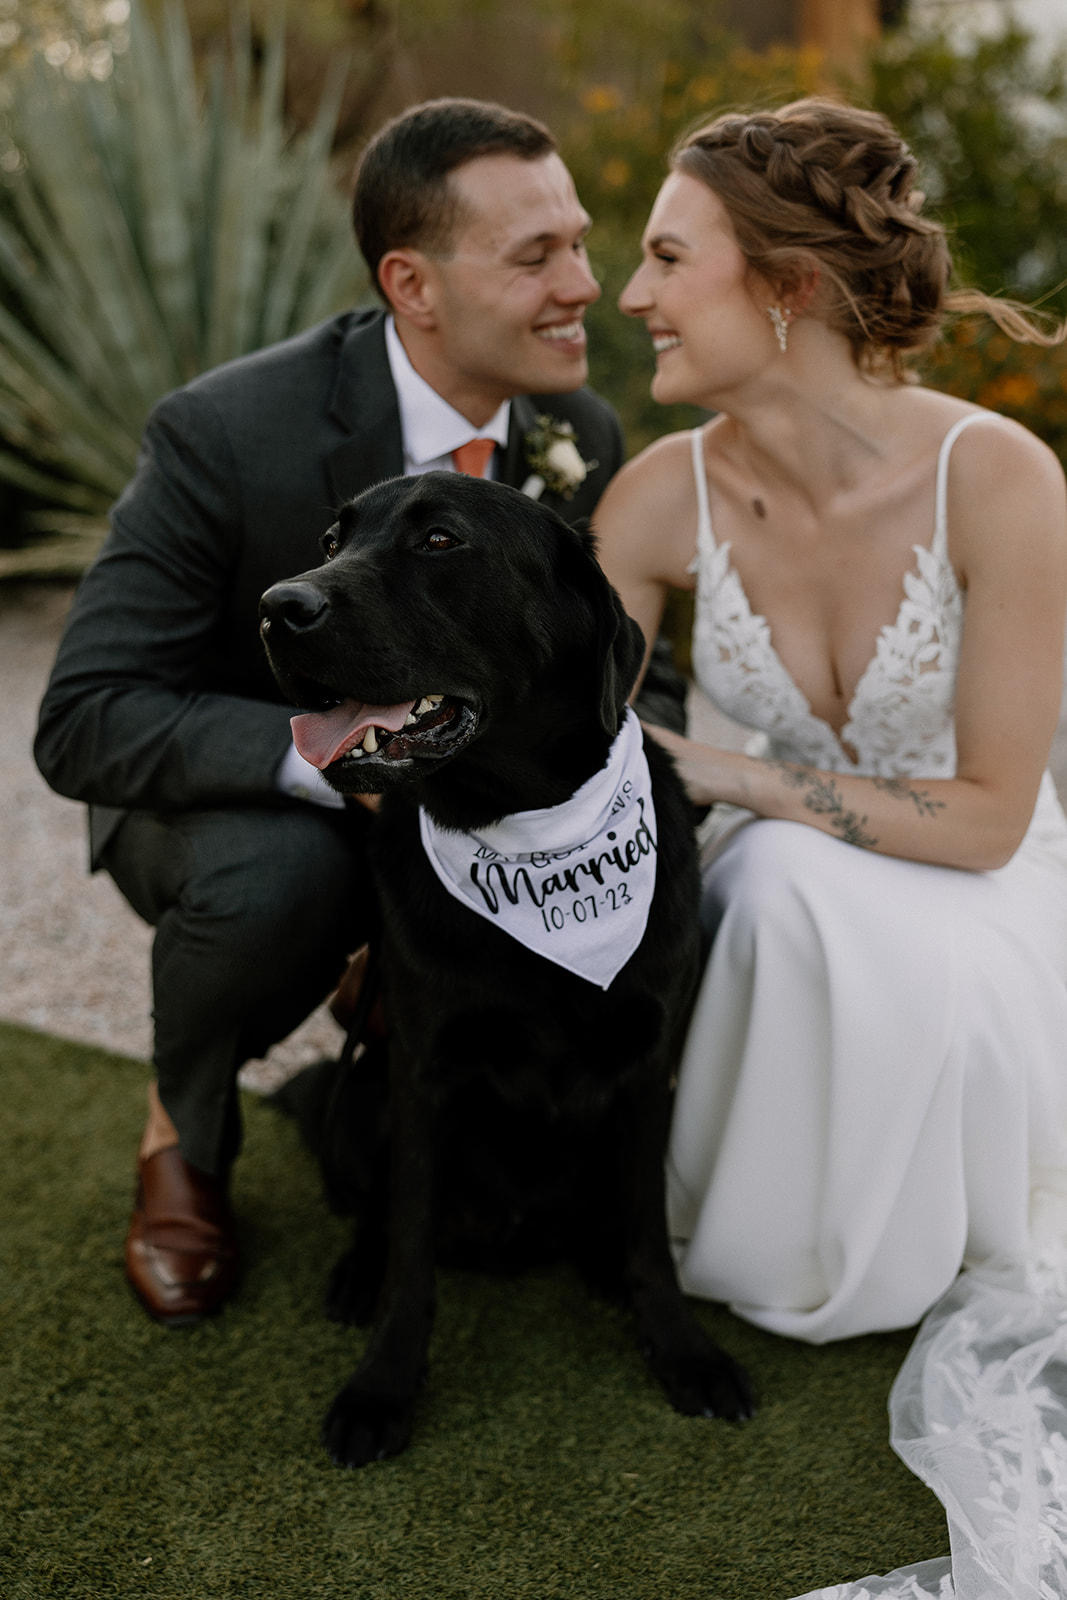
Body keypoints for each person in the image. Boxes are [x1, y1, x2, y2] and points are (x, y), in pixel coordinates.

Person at [33, 97, 682, 1329]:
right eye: (534, 255)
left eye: (582, 245)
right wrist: (332, 757)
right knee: (290, 877)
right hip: (250, 794)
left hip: (458, 791)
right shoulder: (226, 432)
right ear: (412, 284)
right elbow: (83, 717)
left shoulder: (574, 432)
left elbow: (592, 658)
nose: (585, 287)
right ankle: (187, 1128)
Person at [594, 99, 1067, 1592]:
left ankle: (890, 1234)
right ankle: (773, 1226)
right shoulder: (654, 498)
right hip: (773, 910)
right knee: (784, 889)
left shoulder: (994, 478)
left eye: (668, 258)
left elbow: (990, 815)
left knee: (794, 873)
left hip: (986, 887)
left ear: (784, 287)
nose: (631, 294)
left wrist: (737, 775)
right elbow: (566, 755)